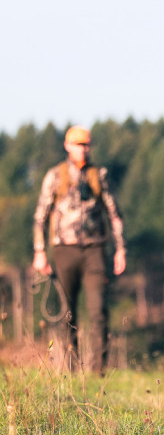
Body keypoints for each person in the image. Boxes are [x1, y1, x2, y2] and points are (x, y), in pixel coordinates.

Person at [33, 125, 126, 374]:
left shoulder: (100, 175)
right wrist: (39, 252)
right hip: (64, 251)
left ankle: (98, 371)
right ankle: (73, 369)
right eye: (77, 144)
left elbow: (115, 214)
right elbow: (40, 216)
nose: (82, 149)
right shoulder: (55, 176)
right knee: (67, 314)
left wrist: (120, 250)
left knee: (98, 312)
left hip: (95, 251)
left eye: (85, 145)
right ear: (67, 145)